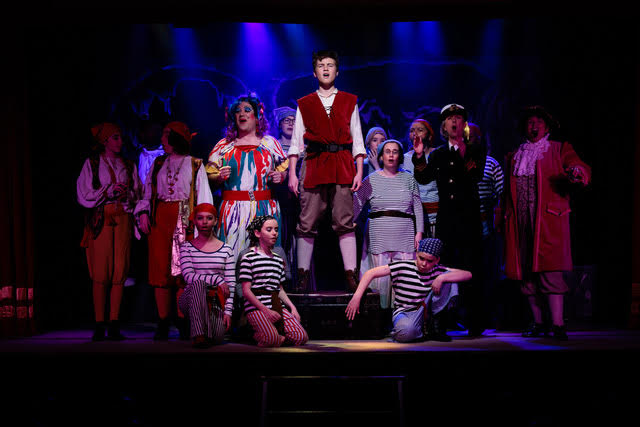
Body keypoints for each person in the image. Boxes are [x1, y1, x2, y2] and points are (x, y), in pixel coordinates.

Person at [497, 106, 590, 341]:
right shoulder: (515, 155)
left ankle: (557, 324)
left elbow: (577, 165)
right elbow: (506, 194)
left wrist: (578, 172)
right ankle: (538, 322)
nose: (534, 126)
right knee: (526, 273)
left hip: (548, 221)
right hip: (520, 223)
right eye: (530, 122)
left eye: (539, 122)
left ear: (546, 127)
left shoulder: (558, 149)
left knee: (551, 272)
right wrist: (501, 217)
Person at [287, 50, 366, 292]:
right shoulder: (305, 103)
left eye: (330, 65)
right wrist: (292, 173)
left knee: (344, 220)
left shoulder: (349, 101)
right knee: (307, 221)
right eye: (321, 65)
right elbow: (296, 142)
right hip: (314, 162)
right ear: (314, 72)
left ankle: (351, 274)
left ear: (337, 71)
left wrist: (359, 172)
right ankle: (302, 276)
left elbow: (358, 140)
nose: (325, 69)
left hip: (342, 162)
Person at [410, 104, 487, 337]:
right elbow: (423, 177)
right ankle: (441, 323)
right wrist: (419, 156)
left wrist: (462, 152)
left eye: (458, 118)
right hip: (447, 221)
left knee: (471, 268)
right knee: (443, 269)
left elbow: (475, 175)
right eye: (450, 119)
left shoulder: (474, 150)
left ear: (464, 124)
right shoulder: (439, 154)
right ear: (444, 126)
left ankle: (475, 322)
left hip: (469, 220)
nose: (454, 122)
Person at [135, 121, 213, 340]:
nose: (162, 139)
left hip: (184, 218)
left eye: (166, 134)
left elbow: (204, 196)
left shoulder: (195, 164)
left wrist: (202, 226)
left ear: (176, 138)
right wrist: (143, 213)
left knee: (182, 272)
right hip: (160, 218)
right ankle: (162, 321)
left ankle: (182, 320)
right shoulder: (158, 163)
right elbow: (147, 191)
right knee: (160, 269)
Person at [77, 122, 141, 341]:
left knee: (119, 271)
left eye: (120, 137)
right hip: (102, 219)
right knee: (101, 273)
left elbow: (138, 193)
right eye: (115, 137)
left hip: (122, 218)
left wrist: (127, 194)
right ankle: (99, 323)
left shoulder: (128, 164)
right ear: (104, 141)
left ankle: (114, 323)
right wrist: (107, 191)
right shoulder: (92, 163)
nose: (120, 141)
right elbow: (83, 193)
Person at [207, 94, 288, 263]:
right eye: (237, 111)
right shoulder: (223, 145)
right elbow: (210, 176)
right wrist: (219, 177)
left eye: (247, 110)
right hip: (232, 210)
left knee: (264, 260)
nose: (242, 113)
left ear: (257, 116)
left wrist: (280, 176)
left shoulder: (270, 143)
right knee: (233, 257)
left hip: (264, 208)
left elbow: (284, 170)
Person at [346, 238, 471, 342]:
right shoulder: (404, 266)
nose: (424, 264)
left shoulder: (438, 270)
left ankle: (435, 326)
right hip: (405, 312)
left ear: (437, 260)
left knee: (450, 278)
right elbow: (370, 273)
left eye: (430, 261)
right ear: (417, 254)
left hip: (426, 311)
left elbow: (467, 274)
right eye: (421, 258)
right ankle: (420, 331)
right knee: (406, 334)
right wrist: (356, 297)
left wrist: (441, 278)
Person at [353, 139, 424, 308]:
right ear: (381, 156)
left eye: (395, 151)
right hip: (379, 234)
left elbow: (417, 207)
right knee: (380, 280)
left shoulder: (409, 179)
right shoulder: (371, 180)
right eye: (387, 151)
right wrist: (350, 222)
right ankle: (380, 315)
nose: (391, 155)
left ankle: (403, 312)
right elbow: (357, 203)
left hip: (404, 234)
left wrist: (419, 232)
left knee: (404, 278)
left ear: (400, 156)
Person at [238, 215, 308, 347]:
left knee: (301, 337)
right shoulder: (248, 258)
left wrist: (292, 308)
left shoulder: (277, 259)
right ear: (258, 233)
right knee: (270, 339)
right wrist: (266, 310)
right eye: (269, 229)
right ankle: (257, 334)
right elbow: (246, 291)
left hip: (276, 304)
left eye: (276, 229)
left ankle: (274, 336)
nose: (274, 233)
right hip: (257, 306)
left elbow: (279, 289)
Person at [178, 203, 235, 348]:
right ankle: (199, 334)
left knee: (217, 337)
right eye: (200, 218)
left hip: (215, 299)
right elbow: (188, 276)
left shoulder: (226, 249)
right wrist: (217, 279)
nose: (204, 222)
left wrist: (228, 311)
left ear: (215, 221)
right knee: (198, 284)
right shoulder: (186, 247)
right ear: (194, 221)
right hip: (190, 298)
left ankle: (203, 332)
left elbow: (230, 283)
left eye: (209, 218)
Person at [403, 119, 439, 238]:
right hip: (413, 215)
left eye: (420, 130)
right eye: (412, 130)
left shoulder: (438, 155)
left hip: (436, 215)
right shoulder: (403, 159)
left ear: (429, 135)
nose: (415, 133)